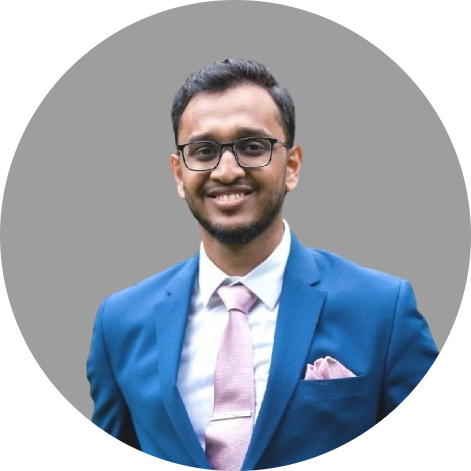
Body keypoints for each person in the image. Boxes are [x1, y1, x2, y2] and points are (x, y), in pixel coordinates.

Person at [86, 58, 439, 468]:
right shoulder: (120, 322)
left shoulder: (382, 309)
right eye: (204, 151)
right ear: (179, 174)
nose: (227, 171)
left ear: (292, 166)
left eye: (252, 147)